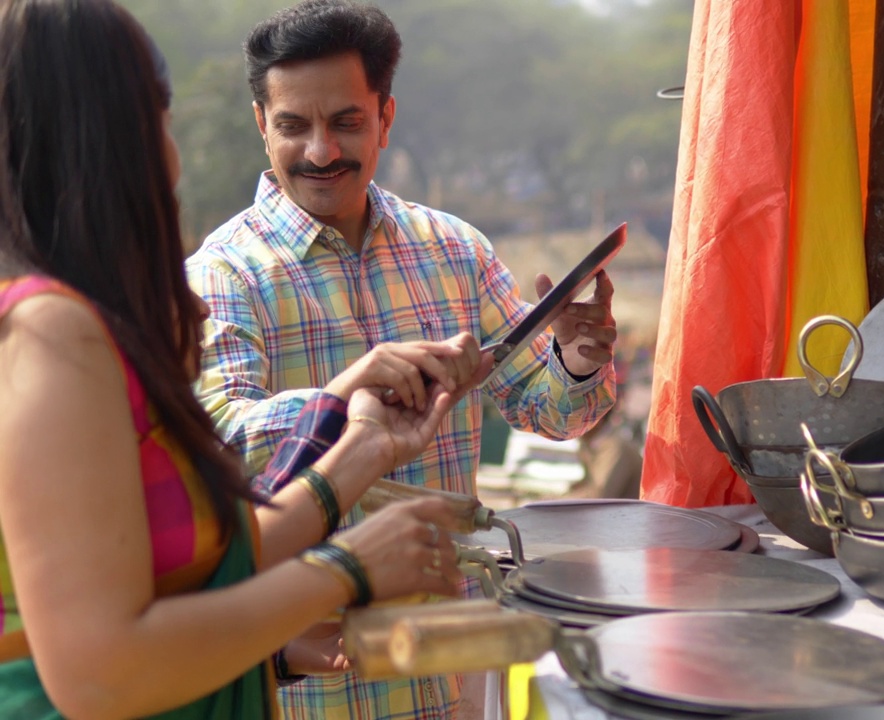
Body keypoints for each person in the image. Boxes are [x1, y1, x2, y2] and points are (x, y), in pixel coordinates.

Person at [0, 0, 492, 717]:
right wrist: (346, 570)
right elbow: (98, 673)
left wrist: (359, 449)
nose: (170, 154)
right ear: (109, 138)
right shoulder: (55, 335)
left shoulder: (75, 321)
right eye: (157, 115)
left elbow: (202, 564)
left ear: (385, 117)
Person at [184, 0, 618, 716]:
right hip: (307, 672)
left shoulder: (454, 249)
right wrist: (343, 395)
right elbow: (218, 440)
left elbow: (550, 412)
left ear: (386, 117)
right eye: (294, 125)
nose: (321, 151)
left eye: (346, 122)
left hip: (449, 664)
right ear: (262, 125)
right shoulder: (222, 274)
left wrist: (574, 360)